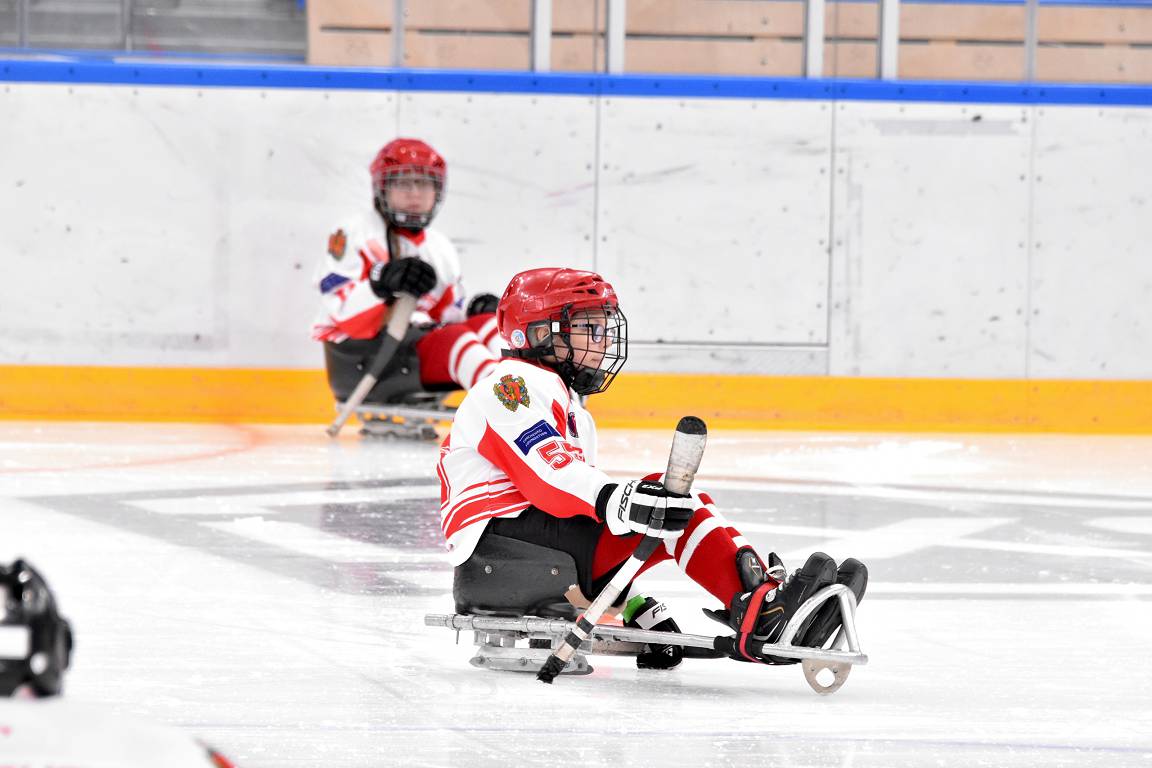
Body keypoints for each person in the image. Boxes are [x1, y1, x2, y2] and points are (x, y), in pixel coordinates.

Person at [436, 267, 867, 669]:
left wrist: (641, 610)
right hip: (500, 553)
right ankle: (765, 612)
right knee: (668, 503)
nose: (601, 342)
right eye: (588, 329)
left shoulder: (566, 405)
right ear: (538, 334)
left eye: (604, 329)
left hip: (532, 553)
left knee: (671, 509)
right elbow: (549, 479)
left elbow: (581, 523)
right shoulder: (509, 388)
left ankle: (763, 603)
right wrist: (619, 500)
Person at [311, 138, 502, 408]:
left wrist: (475, 311)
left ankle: (530, 401)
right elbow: (340, 312)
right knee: (457, 340)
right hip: (361, 359)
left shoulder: (440, 247)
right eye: (403, 183)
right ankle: (508, 410)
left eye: (423, 183)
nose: (415, 193)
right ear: (382, 188)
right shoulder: (354, 233)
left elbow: (447, 315)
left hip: (413, 350)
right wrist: (380, 283)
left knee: (488, 325)